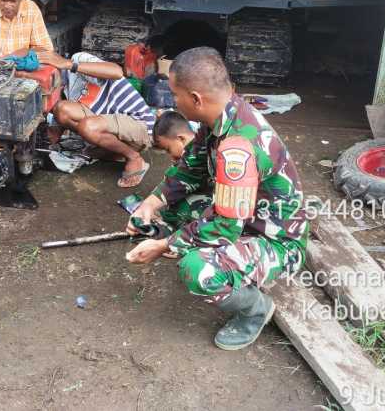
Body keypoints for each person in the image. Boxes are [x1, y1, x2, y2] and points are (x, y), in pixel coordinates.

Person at [125, 47, 309, 351]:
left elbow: (225, 227)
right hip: (248, 218)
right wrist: (151, 204)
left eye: (175, 95)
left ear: (196, 99)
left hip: (278, 241)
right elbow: (191, 168)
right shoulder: (222, 117)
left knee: (198, 269)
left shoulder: (238, 146)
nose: (173, 102)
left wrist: (164, 246)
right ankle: (207, 250)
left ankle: (256, 310)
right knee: (177, 208)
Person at [40, 51, 155, 188]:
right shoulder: (61, 88)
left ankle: (134, 157)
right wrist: (50, 136)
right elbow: (59, 119)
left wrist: (68, 64)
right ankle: (114, 152)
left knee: (88, 127)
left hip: (138, 126)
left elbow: (116, 71)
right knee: (62, 110)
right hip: (111, 127)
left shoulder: (78, 59)